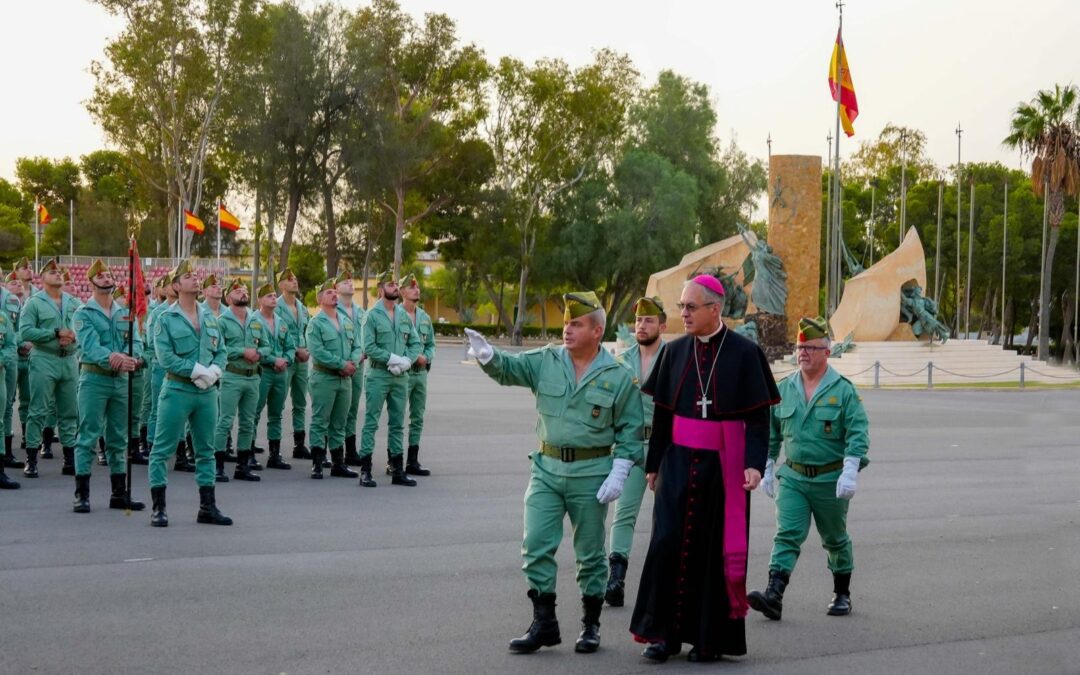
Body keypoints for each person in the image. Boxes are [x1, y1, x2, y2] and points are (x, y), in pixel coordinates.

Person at [464, 291, 644, 655]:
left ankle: (590, 624)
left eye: (576, 324)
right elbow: (510, 369)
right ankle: (544, 622)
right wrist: (488, 356)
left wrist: (621, 469)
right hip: (546, 470)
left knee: (590, 555)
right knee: (535, 546)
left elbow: (631, 428)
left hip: (591, 474)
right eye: (565, 323)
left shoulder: (618, 375)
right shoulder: (547, 360)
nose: (567, 330)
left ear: (597, 331)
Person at [629, 275, 780, 664]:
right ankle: (662, 636)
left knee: (712, 550)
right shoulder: (674, 351)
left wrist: (754, 464)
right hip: (676, 463)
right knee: (666, 543)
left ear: (715, 309)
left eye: (691, 307)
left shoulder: (745, 353)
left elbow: (758, 418)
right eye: (681, 306)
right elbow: (662, 414)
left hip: (723, 467)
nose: (684, 313)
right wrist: (653, 464)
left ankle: (708, 638)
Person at [747, 317, 869, 620]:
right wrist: (767, 464)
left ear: (827, 352)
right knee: (787, 533)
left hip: (830, 478)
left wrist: (850, 468)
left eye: (810, 348)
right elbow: (772, 432)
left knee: (834, 538)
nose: (803, 353)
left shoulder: (843, 390)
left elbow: (857, 432)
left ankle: (842, 593)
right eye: (800, 347)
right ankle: (774, 594)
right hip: (794, 477)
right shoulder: (784, 388)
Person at [148, 259, 231, 527]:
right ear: (175, 286)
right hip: (177, 389)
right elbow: (166, 358)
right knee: (162, 450)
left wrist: (214, 372)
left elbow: (221, 351)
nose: (195, 279)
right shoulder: (165, 318)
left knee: (206, 450)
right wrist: (197, 370)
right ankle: (159, 508)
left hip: (206, 393)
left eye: (195, 275)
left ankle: (207, 507)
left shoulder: (210, 317)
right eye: (188, 276)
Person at [605, 296, 667, 607]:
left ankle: (664, 583)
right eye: (639, 320)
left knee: (666, 517)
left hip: (665, 448)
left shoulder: (673, 358)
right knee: (623, 514)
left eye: (648, 321)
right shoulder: (622, 360)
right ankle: (616, 578)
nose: (641, 326)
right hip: (629, 447)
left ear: (662, 326)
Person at [70, 260, 145, 513]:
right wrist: (114, 357)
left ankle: (119, 494)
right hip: (94, 378)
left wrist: (131, 357)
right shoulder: (83, 313)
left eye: (108, 275)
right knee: (88, 434)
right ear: (91, 282)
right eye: (100, 276)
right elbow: (90, 346)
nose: (105, 278)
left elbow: (137, 341)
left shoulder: (125, 312)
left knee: (118, 437)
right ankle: (82, 494)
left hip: (120, 381)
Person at [19, 258, 80, 479]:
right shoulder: (34, 303)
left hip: (69, 359)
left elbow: (84, 327)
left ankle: (69, 458)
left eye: (59, 272)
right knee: (38, 410)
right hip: (44, 358)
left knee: (70, 412)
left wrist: (73, 336)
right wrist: (54, 333)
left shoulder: (74, 302)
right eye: (52, 272)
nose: (58, 274)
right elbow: (26, 331)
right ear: (42, 278)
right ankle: (32, 458)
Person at [358, 272, 419, 487]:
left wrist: (407, 361)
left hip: (400, 376)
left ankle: (397, 470)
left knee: (397, 424)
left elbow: (415, 343)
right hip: (378, 375)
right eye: (390, 284)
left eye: (395, 284)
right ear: (381, 290)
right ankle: (365, 470)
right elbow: (368, 347)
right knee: (371, 422)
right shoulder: (372, 315)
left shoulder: (403, 315)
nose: (395, 287)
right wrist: (391, 358)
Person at [212, 279, 270, 482]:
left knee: (248, 422)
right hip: (232, 376)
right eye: (237, 292)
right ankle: (217, 466)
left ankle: (242, 467)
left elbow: (267, 345)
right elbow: (217, 348)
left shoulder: (255, 320)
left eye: (244, 291)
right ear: (228, 298)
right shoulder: (222, 321)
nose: (243, 294)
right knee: (225, 421)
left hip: (253, 377)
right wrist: (242, 351)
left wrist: (259, 353)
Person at [304, 279, 360, 479]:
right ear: (320, 299)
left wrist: (352, 363)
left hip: (345, 380)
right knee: (320, 420)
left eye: (334, 291)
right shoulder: (315, 323)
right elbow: (317, 352)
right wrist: (341, 364)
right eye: (329, 292)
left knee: (340, 422)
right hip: (324, 378)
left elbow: (357, 346)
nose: (334, 294)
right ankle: (318, 463)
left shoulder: (346, 321)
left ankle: (338, 463)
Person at [252, 283, 295, 471]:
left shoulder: (281, 321)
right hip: (263, 371)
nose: (273, 298)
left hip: (280, 372)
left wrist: (286, 360)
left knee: (276, 413)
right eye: (268, 296)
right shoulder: (253, 320)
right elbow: (253, 347)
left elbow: (290, 346)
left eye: (273, 295)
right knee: (253, 412)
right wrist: (273, 360)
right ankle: (248, 453)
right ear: (260, 300)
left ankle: (274, 455)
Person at [400, 273, 435, 476]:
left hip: (420, 374)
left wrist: (427, 357)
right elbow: (395, 345)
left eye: (417, 287)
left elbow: (430, 344)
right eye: (412, 287)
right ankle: (394, 460)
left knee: (417, 417)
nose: (416, 290)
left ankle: (412, 461)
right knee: (397, 418)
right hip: (402, 374)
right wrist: (415, 357)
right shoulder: (396, 315)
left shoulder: (424, 317)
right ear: (402, 292)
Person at [275, 268, 312, 460]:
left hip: (302, 361)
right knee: (278, 403)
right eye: (289, 279)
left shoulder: (302, 308)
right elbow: (275, 334)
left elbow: (307, 331)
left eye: (295, 279)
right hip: (286, 359)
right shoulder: (276, 307)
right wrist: (295, 351)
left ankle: (299, 444)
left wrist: (307, 349)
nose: (294, 282)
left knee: (300, 402)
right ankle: (274, 446)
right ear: (281, 284)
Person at [334, 271, 366, 467]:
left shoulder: (360, 311)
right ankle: (331, 450)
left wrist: (360, 355)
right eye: (345, 282)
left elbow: (365, 337)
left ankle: (351, 450)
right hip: (338, 367)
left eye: (350, 281)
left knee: (352, 409)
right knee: (335, 410)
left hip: (358, 365)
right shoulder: (332, 309)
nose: (350, 284)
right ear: (336, 288)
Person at [1, 268, 24, 469]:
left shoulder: (12, 300)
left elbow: (17, 332)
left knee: (7, 404)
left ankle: (6, 453)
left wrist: (4, 358)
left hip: (7, 361)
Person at [0, 268, 19, 489]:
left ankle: (2, 465)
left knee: (2, 414)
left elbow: (11, 343)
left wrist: (1, 359)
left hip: (2, 369)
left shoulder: (4, 316)